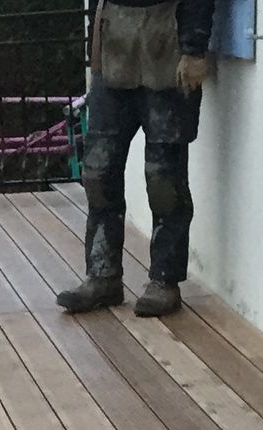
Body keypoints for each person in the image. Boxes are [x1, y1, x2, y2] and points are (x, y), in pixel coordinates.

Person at [59, 0, 228, 317]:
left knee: (164, 180)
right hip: (114, 55)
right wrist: (94, 54)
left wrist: (193, 50)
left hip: (170, 50)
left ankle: (165, 281)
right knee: (98, 174)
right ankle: (102, 276)